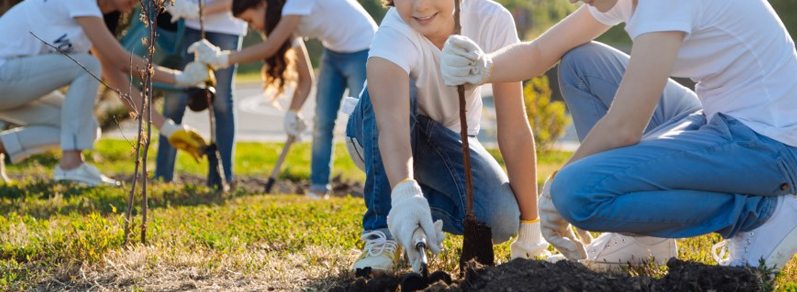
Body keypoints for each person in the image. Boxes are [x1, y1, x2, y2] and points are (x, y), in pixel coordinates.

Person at [441, 0, 797, 271]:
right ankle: (644, 240)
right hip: (719, 118)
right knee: (580, 64)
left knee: (576, 193)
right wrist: (484, 67)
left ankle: (760, 211)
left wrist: (554, 190)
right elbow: (539, 52)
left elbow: (625, 127)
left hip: (770, 143)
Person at [345, 0, 550, 274]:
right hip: (377, 135)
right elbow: (392, 130)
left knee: (500, 219)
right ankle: (383, 231)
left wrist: (530, 231)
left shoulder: (492, 21)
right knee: (386, 87)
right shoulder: (393, 34)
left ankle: (408, 211)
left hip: (443, 143)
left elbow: (513, 127)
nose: (419, 6)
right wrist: (405, 195)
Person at [0, 0, 210, 186]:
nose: (138, 3)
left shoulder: (93, 20)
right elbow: (121, 60)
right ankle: (71, 166)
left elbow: (120, 83)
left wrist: (168, 129)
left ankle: (5, 146)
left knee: (87, 129)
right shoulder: (82, 3)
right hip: (4, 75)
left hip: (10, 84)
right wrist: (180, 78)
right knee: (87, 65)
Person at [188, 0, 378, 198]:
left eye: (250, 20)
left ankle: (376, 189)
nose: (254, 27)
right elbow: (306, 78)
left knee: (363, 125)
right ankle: (319, 189)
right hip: (334, 52)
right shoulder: (287, 21)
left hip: (364, 47)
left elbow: (269, 48)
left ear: (261, 5)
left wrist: (222, 58)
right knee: (322, 122)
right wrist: (292, 113)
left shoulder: (294, 4)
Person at [156, 0, 248, 188]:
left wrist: (200, 10)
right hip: (187, 25)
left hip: (227, 26)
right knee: (175, 100)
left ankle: (223, 177)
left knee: (222, 102)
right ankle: (163, 177)